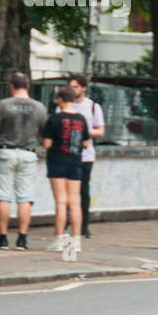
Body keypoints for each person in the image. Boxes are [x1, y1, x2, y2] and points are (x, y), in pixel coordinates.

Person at [0, 72, 47, 250]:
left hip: (6, 152)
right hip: (28, 153)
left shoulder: (3, 105)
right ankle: (22, 239)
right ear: (27, 86)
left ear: (11, 86)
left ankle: (3, 238)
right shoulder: (39, 107)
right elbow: (44, 131)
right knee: (25, 197)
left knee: (3, 196)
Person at [42, 86, 88, 262]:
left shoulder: (55, 119)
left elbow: (47, 144)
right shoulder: (81, 119)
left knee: (61, 201)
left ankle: (59, 240)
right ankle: (75, 242)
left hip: (57, 162)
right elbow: (85, 143)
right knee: (75, 202)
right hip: (75, 162)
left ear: (60, 99)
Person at [68, 74, 105, 237]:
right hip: (67, 154)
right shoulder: (64, 105)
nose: (72, 90)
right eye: (70, 86)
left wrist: (82, 131)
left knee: (83, 192)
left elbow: (101, 131)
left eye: (75, 87)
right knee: (67, 193)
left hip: (85, 155)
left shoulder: (93, 107)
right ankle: (67, 225)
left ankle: (83, 227)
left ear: (83, 88)